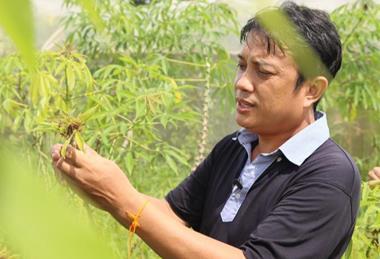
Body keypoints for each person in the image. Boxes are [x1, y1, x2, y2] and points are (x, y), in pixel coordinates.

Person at [51, 1, 361, 258]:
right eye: (242, 66)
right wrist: (98, 185)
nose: (241, 83)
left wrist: (122, 199)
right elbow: (172, 214)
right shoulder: (235, 147)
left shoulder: (330, 175)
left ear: (311, 90)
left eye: (263, 71)